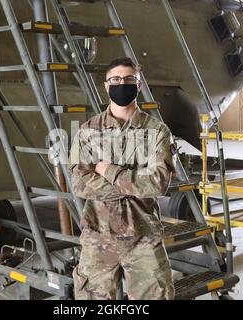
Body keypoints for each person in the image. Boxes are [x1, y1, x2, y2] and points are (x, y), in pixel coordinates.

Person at [68, 57, 176, 300]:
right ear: (106, 86)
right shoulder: (86, 131)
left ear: (138, 86)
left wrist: (108, 170)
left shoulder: (158, 132)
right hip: (98, 235)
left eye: (129, 80)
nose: (122, 84)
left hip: (143, 235)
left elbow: (157, 184)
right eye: (115, 80)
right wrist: (135, 184)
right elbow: (78, 183)